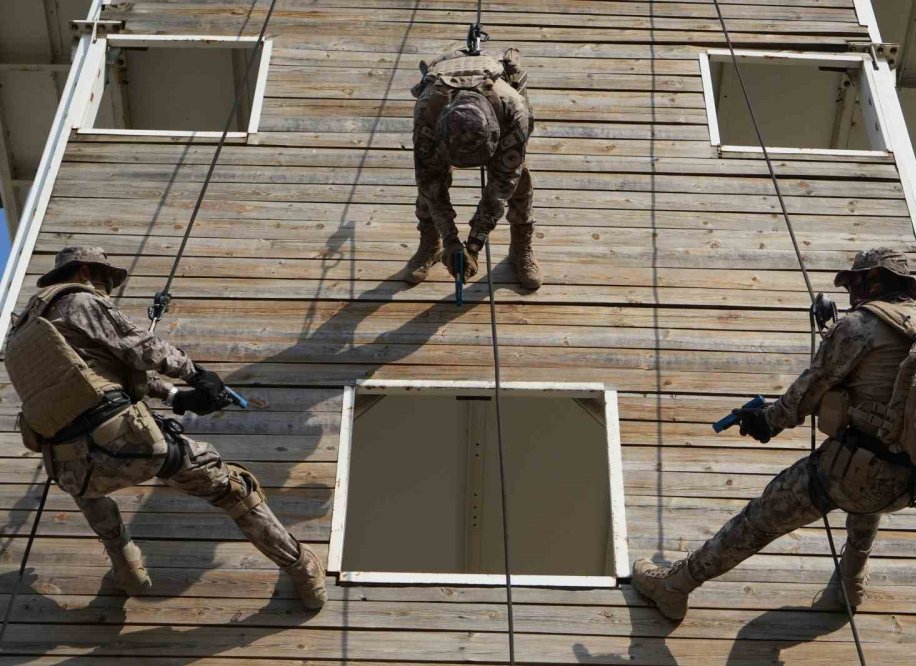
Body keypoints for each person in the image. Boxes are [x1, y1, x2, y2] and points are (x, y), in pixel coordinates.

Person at [633, 248, 916, 621]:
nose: (850, 294)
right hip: (911, 479)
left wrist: (767, 421)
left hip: (856, 476)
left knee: (760, 518)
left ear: (874, 279)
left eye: (854, 283)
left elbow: (807, 392)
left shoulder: (862, 325)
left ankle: (674, 586)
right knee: (871, 480)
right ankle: (850, 582)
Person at [4, 247, 326, 610]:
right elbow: (139, 347)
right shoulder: (78, 301)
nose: (107, 289)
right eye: (106, 280)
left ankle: (127, 567)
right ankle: (301, 565)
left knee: (92, 492)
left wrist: (176, 397)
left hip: (71, 468)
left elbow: (95, 378)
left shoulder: (20, 333)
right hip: (128, 444)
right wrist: (197, 375)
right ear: (83, 271)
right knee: (233, 489)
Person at [404, 45, 542, 291]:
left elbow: (501, 185)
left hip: (502, 108)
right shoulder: (427, 110)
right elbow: (430, 182)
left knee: (518, 179)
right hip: (444, 87)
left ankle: (521, 246)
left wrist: (474, 245)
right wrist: (451, 240)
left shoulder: (513, 110)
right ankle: (430, 243)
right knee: (428, 180)